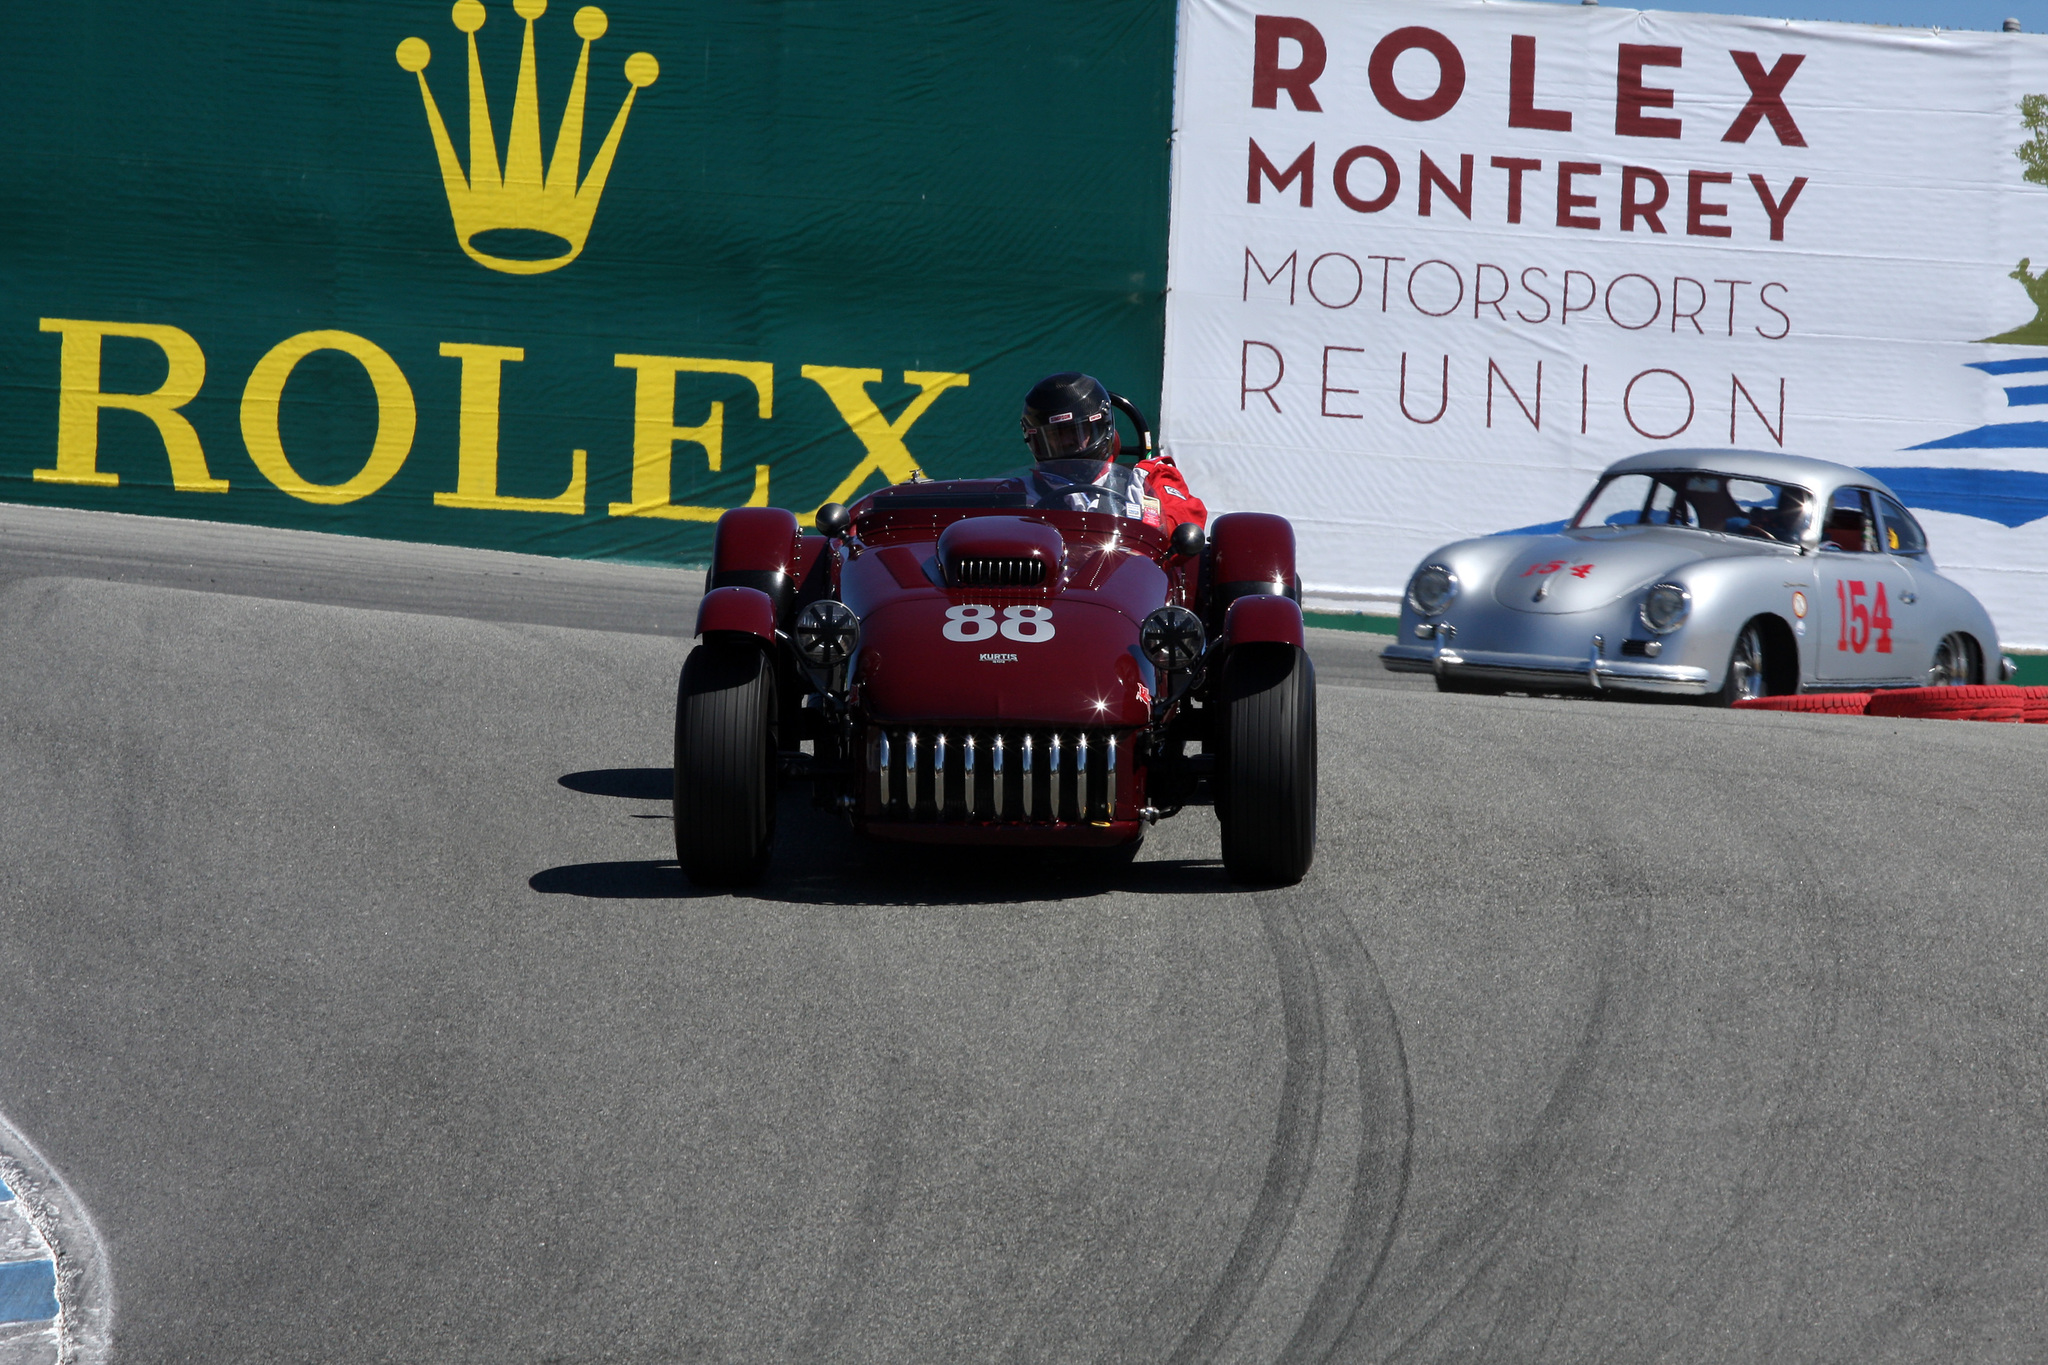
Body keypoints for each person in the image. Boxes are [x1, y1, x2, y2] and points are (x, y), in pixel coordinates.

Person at [1019, 372, 1207, 530]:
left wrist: (1159, 528)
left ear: (1102, 427)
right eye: (1055, 435)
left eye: (1075, 431)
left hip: (1126, 571)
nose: (1067, 441)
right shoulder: (1020, 493)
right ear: (1035, 440)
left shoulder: (1144, 482)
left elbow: (1186, 525)